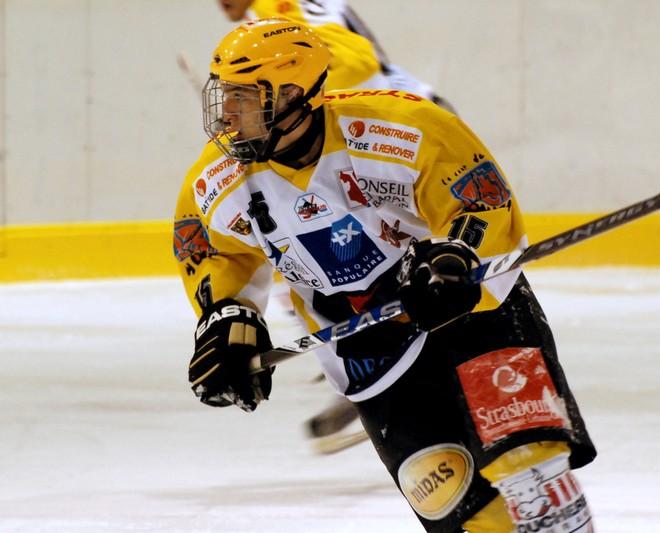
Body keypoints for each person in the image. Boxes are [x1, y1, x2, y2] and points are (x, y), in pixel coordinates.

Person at [173, 18, 596, 532]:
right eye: (225, 96)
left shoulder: (401, 128)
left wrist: (454, 257)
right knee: (468, 514)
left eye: (243, 97)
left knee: (530, 469)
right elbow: (215, 253)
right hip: (365, 350)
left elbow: (478, 201)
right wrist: (227, 316)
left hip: (467, 312)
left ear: (291, 94)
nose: (227, 115)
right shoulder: (216, 181)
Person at [214, 0, 454, 450]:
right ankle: (395, 365)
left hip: (393, 137)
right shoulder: (263, 22)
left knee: (405, 264)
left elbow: (353, 60)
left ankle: (420, 370)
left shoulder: (278, 11)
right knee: (304, 256)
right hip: (378, 132)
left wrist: (292, 121)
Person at [215, 0, 454, 111]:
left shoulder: (266, 9)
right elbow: (363, 41)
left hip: (365, 97)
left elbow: (351, 62)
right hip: (404, 89)